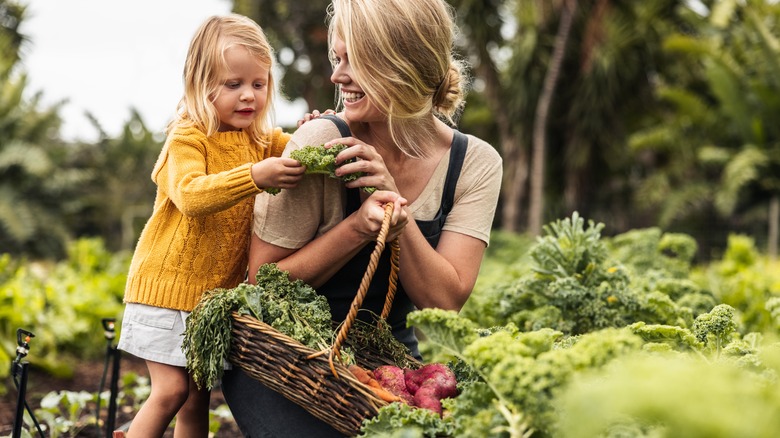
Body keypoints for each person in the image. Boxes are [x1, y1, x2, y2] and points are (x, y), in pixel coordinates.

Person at [222, 0, 503, 436]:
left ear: (402, 64)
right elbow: (263, 284)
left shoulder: (475, 164)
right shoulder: (322, 142)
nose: (337, 76)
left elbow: (443, 302)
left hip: (384, 368)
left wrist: (393, 207)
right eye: (338, 58)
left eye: (354, 60)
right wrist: (357, 228)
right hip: (287, 365)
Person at [116, 14, 305, 438]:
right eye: (233, 84)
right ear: (201, 86)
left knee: (197, 397)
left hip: (206, 305)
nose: (248, 96)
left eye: (258, 84)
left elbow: (300, 151)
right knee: (171, 391)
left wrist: (314, 130)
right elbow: (192, 196)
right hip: (163, 293)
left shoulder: (262, 141)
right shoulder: (188, 138)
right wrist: (255, 176)